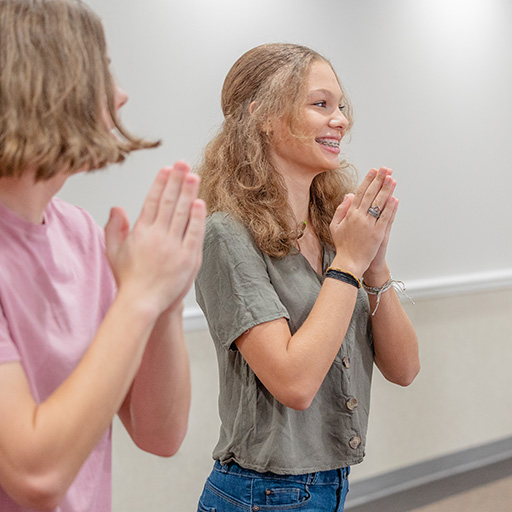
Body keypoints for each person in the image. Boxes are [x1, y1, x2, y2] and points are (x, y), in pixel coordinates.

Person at [195, 42, 420, 511]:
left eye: (341, 107)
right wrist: (350, 265)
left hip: (331, 486)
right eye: (321, 105)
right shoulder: (225, 235)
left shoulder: (336, 228)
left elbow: (405, 369)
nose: (341, 119)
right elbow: (295, 383)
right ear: (263, 115)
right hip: (262, 493)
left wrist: (373, 264)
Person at [0, 1, 206, 511]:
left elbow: (160, 435)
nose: (121, 94)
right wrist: (138, 294)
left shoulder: (81, 235)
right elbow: (36, 473)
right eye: (105, 69)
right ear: (57, 81)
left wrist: (165, 302)